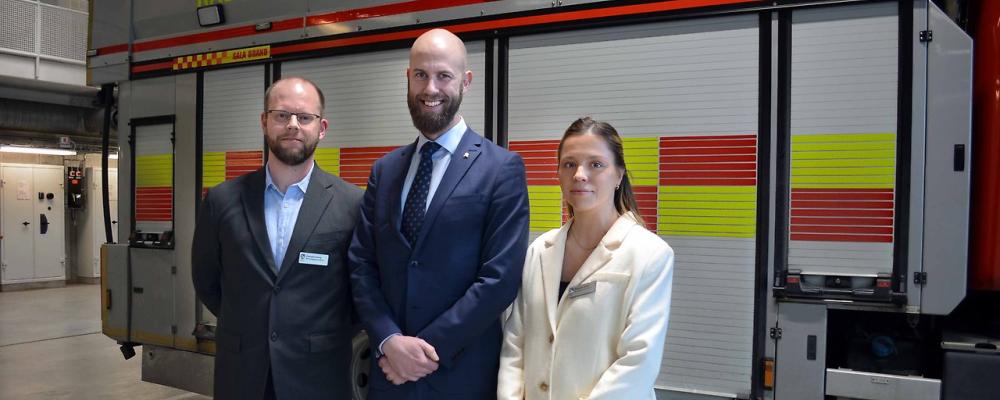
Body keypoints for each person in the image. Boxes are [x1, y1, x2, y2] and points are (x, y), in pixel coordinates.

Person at [349, 28, 530, 400]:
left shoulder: (501, 168)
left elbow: (499, 279)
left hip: (460, 377)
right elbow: (361, 264)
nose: (430, 88)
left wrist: (422, 352)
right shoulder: (384, 171)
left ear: (465, 82)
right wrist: (389, 340)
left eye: (443, 76)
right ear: (408, 78)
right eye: (420, 75)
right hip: (389, 377)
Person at [191, 77, 363, 400]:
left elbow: (358, 295)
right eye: (282, 115)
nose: (293, 125)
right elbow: (207, 282)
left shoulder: (351, 204)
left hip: (318, 377)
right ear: (264, 122)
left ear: (321, 127)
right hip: (242, 375)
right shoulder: (222, 200)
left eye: (305, 117)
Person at [497, 117, 675, 400]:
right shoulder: (540, 249)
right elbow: (516, 341)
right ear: (558, 174)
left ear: (619, 175)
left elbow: (638, 360)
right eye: (569, 164)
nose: (580, 174)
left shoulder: (649, 254)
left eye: (596, 164)